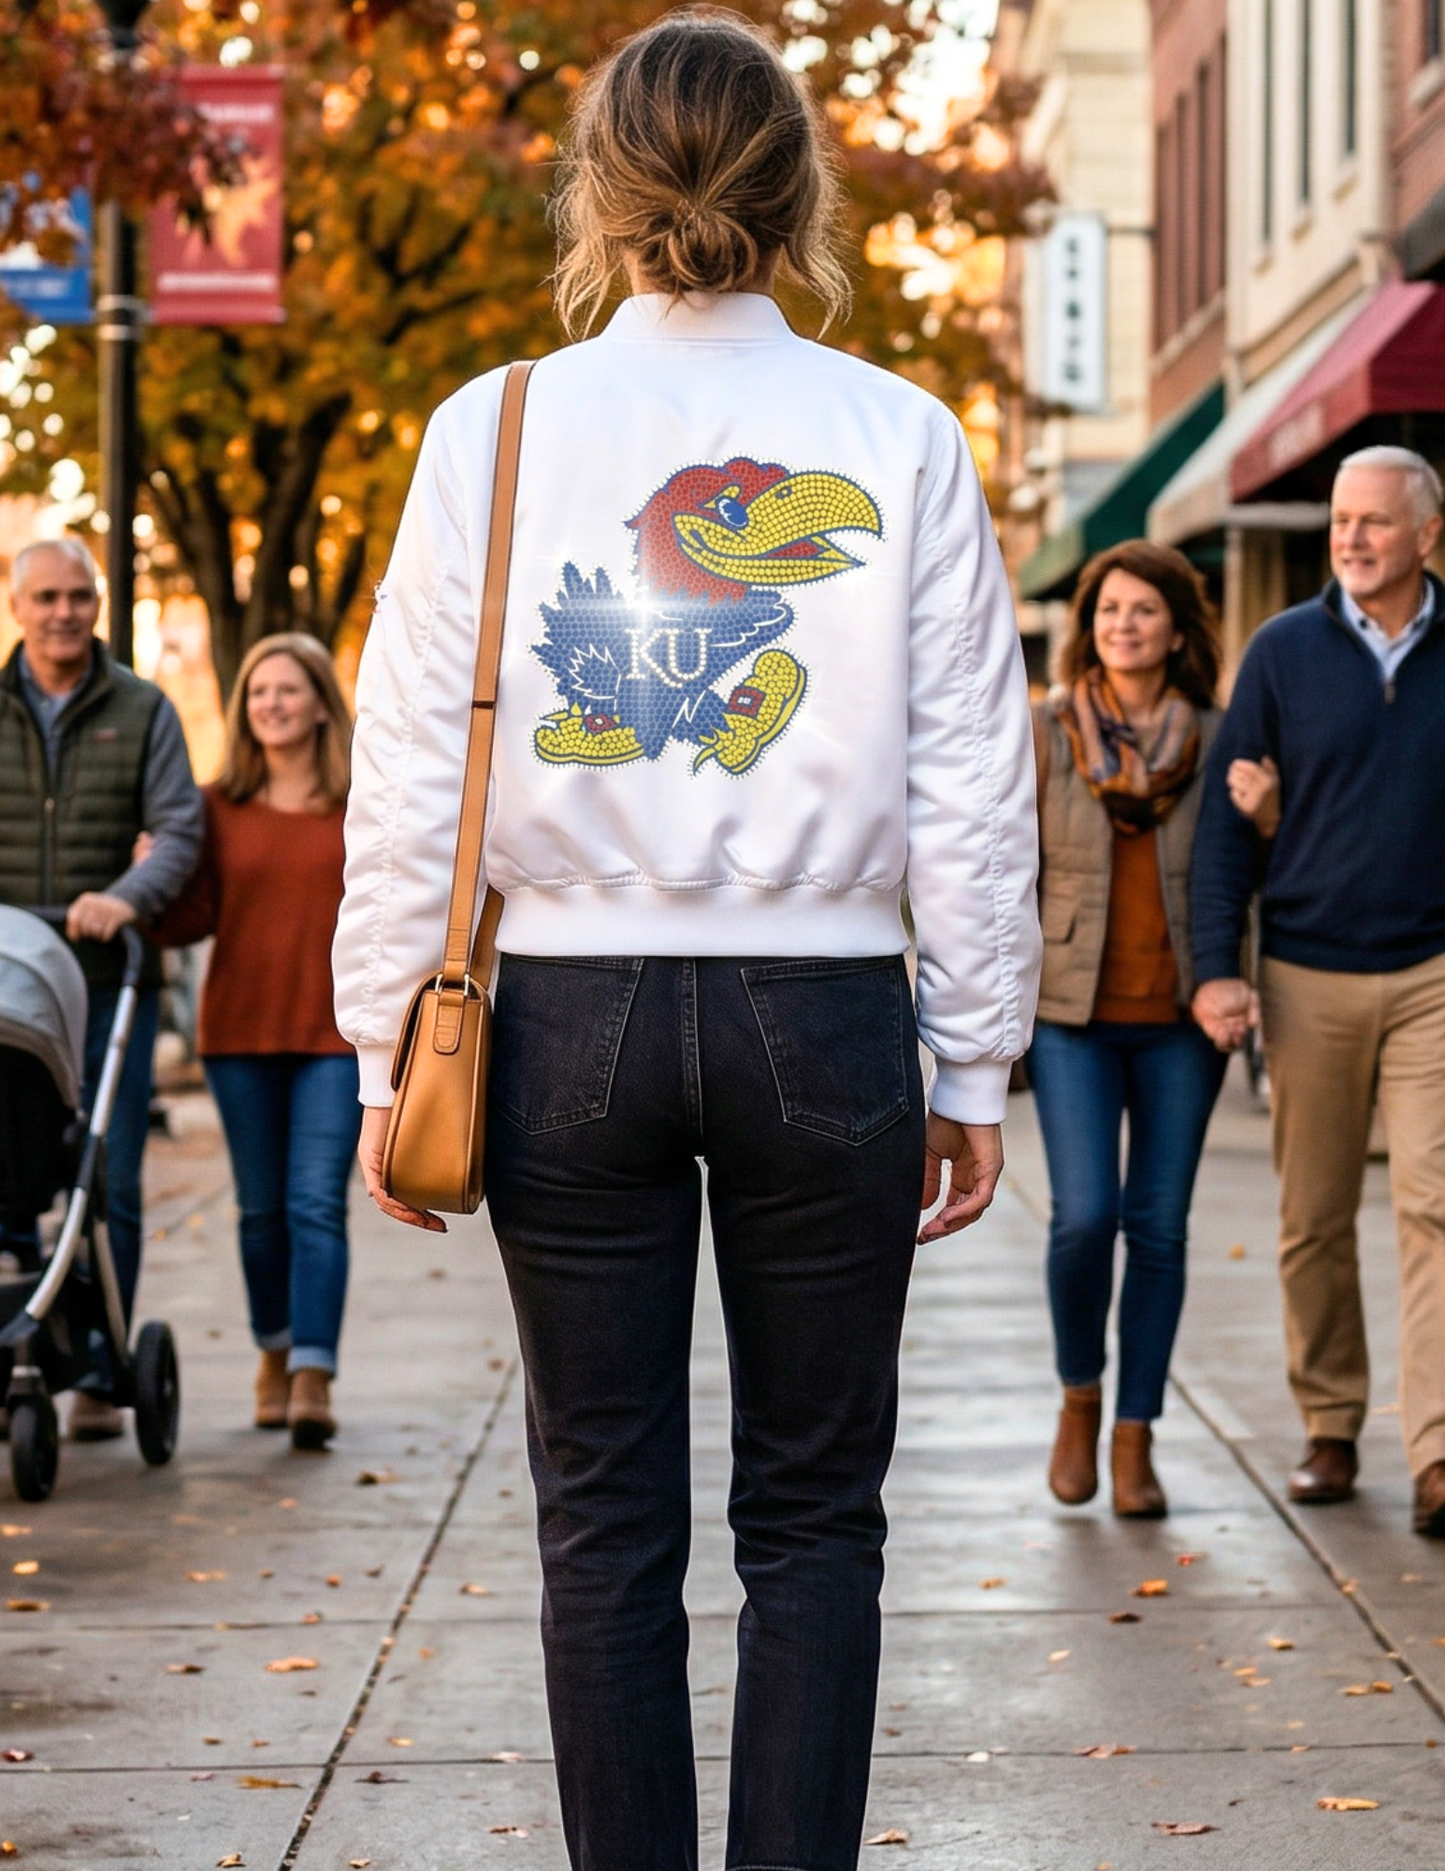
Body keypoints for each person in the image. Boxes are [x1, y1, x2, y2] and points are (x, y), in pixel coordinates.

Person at [333, 14, 1041, 1868]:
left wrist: (382, 1044)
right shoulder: (900, 436)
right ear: (799, 193)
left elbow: (413, 763)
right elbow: (973, 775)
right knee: (816, 1520)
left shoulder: (489, 431)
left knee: (602, 1517)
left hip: (564, 1013)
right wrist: (973, 1056)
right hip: (825, 1007)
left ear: (599, 192)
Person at [1191, 445, 1445, 1538]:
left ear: (1425, 535)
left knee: (1434, 1207)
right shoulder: (1281, 650)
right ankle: (1330, 1421)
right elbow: (1220, 821)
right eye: (1341, 519)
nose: (1349, 537)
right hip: (1304, 971)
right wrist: (1214, 967)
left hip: (1434, 972)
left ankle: (1436, 1448)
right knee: (1310, 1217)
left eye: (1373, 521)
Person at [1029, 543, 1226, 1520]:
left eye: (1143, 609)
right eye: (1108, 607)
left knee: (1156, 1227)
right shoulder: (1045, 732)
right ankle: (1078, 1396)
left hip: (1181, 1019)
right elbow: (1001, 865)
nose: (1123, 623)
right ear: (1088, 623)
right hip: (1070, 1015)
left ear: (1176, 630)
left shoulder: (1217, 739)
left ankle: (1134, 1435)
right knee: (1081, 1217)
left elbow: (1243, 869)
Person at [0, 536, 202, 1440]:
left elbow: (179, 830)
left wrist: (122, 900)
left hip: (104, 974)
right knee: (12, 1163)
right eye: (45, 597)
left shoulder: (145, 708)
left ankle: (94, 1362)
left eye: (78, 596)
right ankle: (26, 1333)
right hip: (8, 980)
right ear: (16, 606)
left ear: (97, 602)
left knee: (104, 1175)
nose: (63, 612)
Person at [149, 634, 358, 1450]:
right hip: (238, 1032)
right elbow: (191, 917)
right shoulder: (212, 805)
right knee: (260, 1210)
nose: (271, 702)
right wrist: (151, 875)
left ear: (317, 704)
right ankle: (272, 1349)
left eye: (288, 688)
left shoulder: (361, 801)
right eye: (258, 691)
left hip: (336, 1039)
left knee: (314, 1201)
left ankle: (313, 1372)